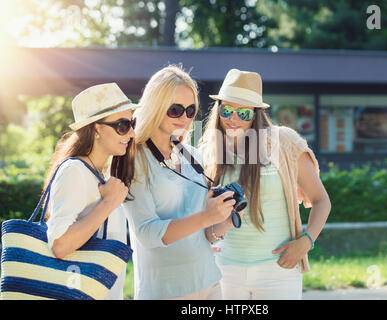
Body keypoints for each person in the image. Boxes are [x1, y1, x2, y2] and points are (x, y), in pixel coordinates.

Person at [199, 69, 332, 300]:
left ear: (256, 114)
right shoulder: (208, 152)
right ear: (218, 109)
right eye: (227, 110)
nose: (233, 118)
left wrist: (306, 241)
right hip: (224, 270)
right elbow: (204, 218)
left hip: (279, 270)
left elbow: (322, 201)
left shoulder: (284, 143)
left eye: (244, 112)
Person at [123, 65, 236, 300]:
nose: (184, 117)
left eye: (190, 110)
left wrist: (223, 221)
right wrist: (206, 217)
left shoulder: (192, 155)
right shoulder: (133, 159)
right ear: (155, 107)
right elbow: (146, 233)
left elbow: (204, 234)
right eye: (175, 110)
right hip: (166, 290)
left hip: (210, 281)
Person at [45, 83, 139, 300]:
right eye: (123, 125)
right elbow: (59, 245)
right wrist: (107, 204)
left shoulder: (98, 175)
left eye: (132, 123)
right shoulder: (75, 171)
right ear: (96, 129)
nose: (132, 133)